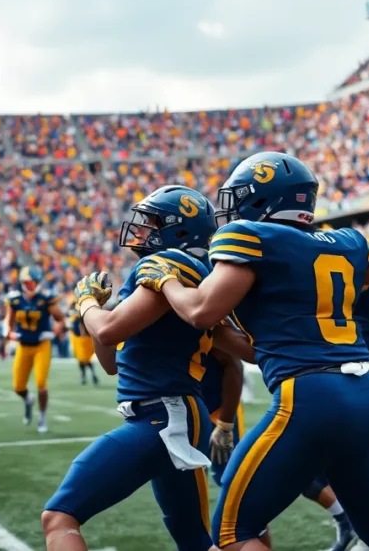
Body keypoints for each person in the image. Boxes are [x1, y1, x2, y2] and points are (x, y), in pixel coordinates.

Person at [133, 111, 369, 551]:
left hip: (310, 396)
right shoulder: (347, 244)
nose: (229, 210)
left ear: (262, 201)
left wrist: (163, 277)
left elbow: (202, 311)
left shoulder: (252, 237)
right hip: (365, 393)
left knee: (232, 534)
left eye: (238, 198)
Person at [43, 185, 227, 551]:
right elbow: (110, 360)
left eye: (153, 222)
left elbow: (108, 330)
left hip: (164, 416)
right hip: (172, 413)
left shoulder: (166, 265)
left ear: (178, 230)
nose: (141, 231)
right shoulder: (187, 271)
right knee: (194, 541)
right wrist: (98, 310)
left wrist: (85, 304)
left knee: (59, 516)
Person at [4, 266, 65, 434]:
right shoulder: (15, 300)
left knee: (41, 384)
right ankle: (28, 400)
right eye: (30, 283)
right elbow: (8, 320)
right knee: (18, 387)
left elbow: (60, 319)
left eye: (35, 283)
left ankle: (42, 416)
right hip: (23, 346)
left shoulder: (45, 298)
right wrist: (8, 333)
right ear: (23, 283)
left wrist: (53, 332)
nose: (33, 286)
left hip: (41, 346)